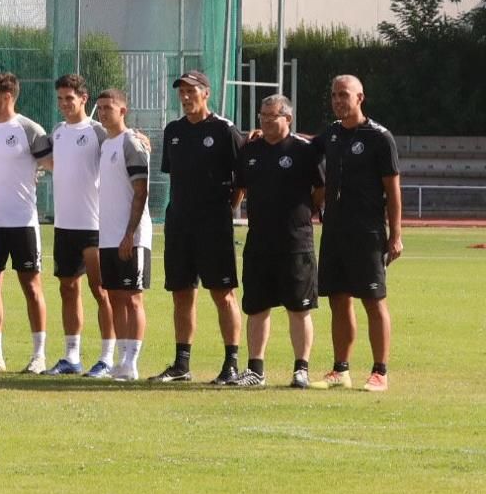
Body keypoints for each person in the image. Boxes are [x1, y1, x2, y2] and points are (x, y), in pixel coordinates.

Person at [310, 75, 402, 392]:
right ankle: (341, 370)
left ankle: (380, 372)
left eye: (344, 95)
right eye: (334, 95)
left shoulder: (380, 137)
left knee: (373, 301)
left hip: (367, 232)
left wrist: (396, 234)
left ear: (360, 98)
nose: (338, 100)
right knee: (338, 300)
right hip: (334, 231)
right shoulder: (332, 134)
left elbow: (393, 190)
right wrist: (270, 132)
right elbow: (306, 144)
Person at [154, 70, 246, 384]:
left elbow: (241, 180)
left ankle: (231, 364)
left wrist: (224, 211)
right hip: (179, 224)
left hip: (213, 226)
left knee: (223, 293)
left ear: (206, 93)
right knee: (181, 294)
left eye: (191, 91)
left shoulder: (224, 129)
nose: (185, 97)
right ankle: (182, 365)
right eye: (181, 91)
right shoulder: (173, 130)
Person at [233, 95, 324, 388]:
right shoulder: (250, 150)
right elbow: (240, 187)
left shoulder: (304, 150)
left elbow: (321, 188)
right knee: (256, 307)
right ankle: (255, 370)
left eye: (271, 116)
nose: (265, 121)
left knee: (298, 308)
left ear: (288, 118)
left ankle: (301, 369)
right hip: (259, 241)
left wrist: (305, 212)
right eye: (262, 115)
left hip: (295, 242)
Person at [0, 72, 52, 373]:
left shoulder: (30, 129)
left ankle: (39, 355)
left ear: (6, 96)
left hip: (22, 222)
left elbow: (54, 164)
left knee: (32, 287)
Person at [44, 74, 114, 376]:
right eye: (60, 98)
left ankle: (107, 358)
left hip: (93, 225)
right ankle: (72, 356)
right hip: (64, 225)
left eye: (69, 98)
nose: (64, 104)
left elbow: (121, 143)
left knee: (101, 290)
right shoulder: (58, 132)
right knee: (68, 288)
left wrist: (139, 138)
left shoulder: (98, 131)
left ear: (83, 99)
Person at [94, 90, 152, 382]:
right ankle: (122, 358)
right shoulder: (106, 144)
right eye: (100, 108)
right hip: (107, 235)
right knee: (115, 296)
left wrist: (130, 233)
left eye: (109, 107)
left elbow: (141, 191)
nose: (103, 112)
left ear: (123, 110)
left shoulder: (131, 142)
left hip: (132, 236)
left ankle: (132, 361)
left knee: (133, 298)